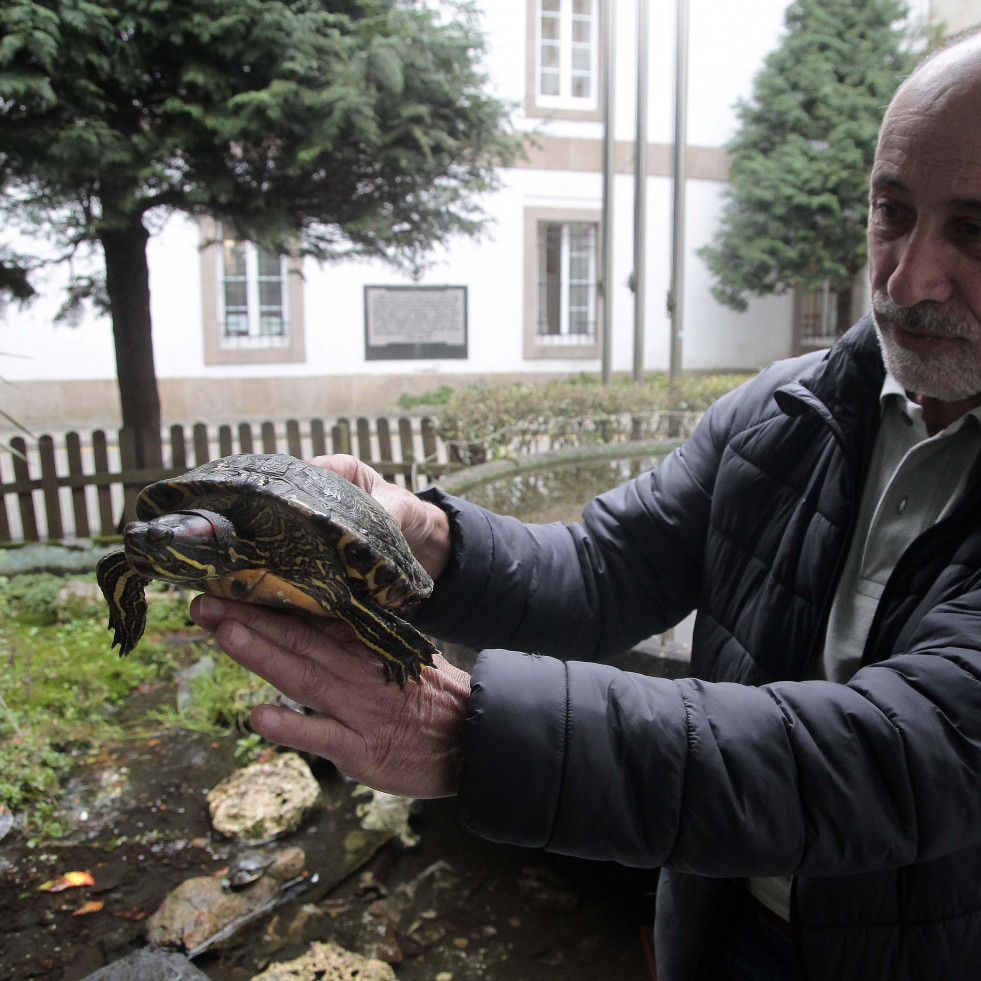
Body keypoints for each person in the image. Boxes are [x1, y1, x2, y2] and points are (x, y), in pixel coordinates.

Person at [190, 31, 981, 981]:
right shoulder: (788, 408)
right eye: (890, 211)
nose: (904, 278)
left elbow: (878, 760)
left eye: (973, 231)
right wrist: (425, 542)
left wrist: (469, 734)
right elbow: (609, 569)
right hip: (720, 926)